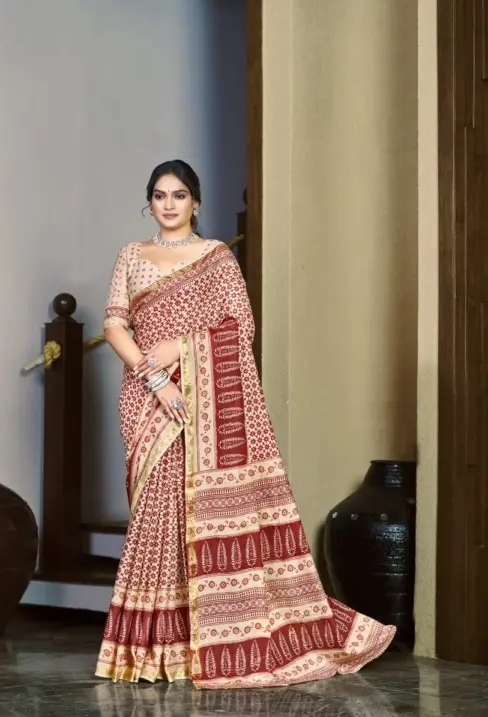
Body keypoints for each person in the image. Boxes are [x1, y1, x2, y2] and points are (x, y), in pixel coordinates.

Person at [95, 159, 395, 689]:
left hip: (202, 398)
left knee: (194, 515)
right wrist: (156, 378)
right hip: (147, 396)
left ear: (196, 201)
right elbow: (115, 324)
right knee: (156, 515)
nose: (169, 204)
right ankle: (157, 650)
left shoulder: (216, 258)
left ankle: (206, 645)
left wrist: (181, 349)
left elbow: (240, 327)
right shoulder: (131, 255)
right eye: (160, 195)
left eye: (179, 195)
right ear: (149, 202)